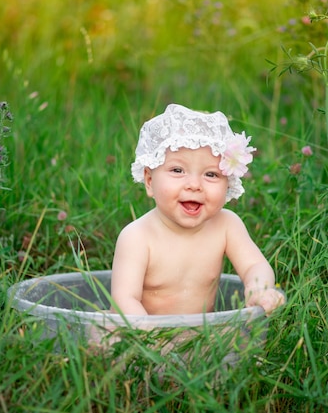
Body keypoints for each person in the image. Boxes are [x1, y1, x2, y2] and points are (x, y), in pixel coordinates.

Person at [110, 104, 286, 316]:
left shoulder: (226, 225)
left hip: (197, 333)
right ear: (149, 181)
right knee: (104, 333)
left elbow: (254, 265)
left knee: (235, 341)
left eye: (211, 174)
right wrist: (149, 340)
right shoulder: (137, 237)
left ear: (228, 183)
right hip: (142, 330)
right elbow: (124, 300)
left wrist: (259, 289)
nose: (194, 185)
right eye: (177, 170)